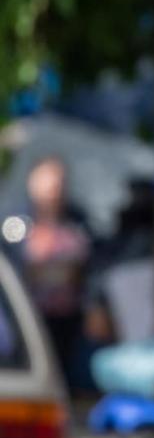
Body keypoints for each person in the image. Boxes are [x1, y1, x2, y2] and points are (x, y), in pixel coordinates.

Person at [21, 156, 92, 391]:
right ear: (32, 183)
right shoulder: (17, 224)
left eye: (58, 181)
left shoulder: (78, 222)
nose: (53, 188)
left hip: (69, 319)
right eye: (47, 181)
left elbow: (89, 268)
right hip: (30, 317)